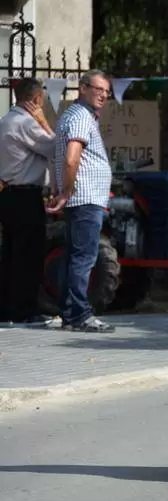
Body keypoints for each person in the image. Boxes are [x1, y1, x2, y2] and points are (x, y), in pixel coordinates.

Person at [47, 69, 116, 332]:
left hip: (82, 197)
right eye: (98, 89)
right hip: (85, 198)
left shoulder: (75, 115)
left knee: (73, 257)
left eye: (107, 91)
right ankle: (80, 315)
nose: (103, 95)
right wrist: (66, 191)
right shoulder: (80, 117)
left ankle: (69, 313)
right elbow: (70, 158)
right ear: (83, 88)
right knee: (84, 258)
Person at [0, 78, 56, 326]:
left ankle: (6, 309)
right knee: (29, 255)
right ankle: (25, 310)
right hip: (25, 195)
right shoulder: (26, 123)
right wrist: (43, 122)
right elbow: (56, 147)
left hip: (8, 193)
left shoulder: (5, 120)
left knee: (11, 254)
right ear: (36, 99)